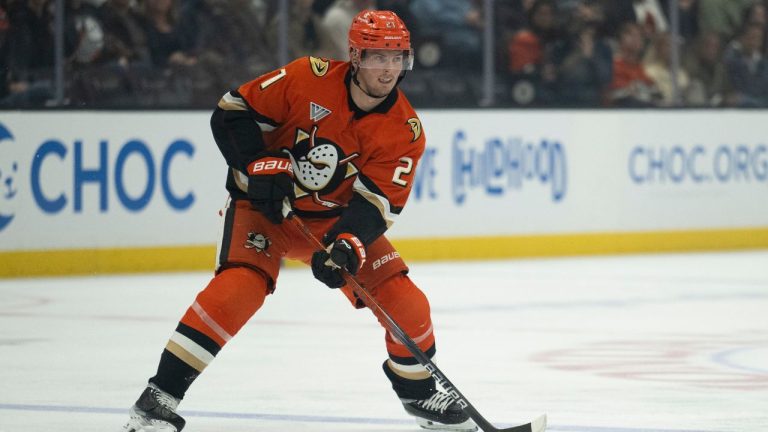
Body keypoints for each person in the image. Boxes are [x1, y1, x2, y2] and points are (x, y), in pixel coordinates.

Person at [120, 9, 477, 432]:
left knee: (409, 304)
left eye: (397, 57)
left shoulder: (406, 130)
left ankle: (420, 395)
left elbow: (377, 204)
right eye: (379, 57)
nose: (388, 69)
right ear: (356, 56)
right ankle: (158, 398)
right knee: (240, 287)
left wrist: (347, 244)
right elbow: (231, 112)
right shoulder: (307, 76)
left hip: (331, 225)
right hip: (263, 211)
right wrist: (257, 165)